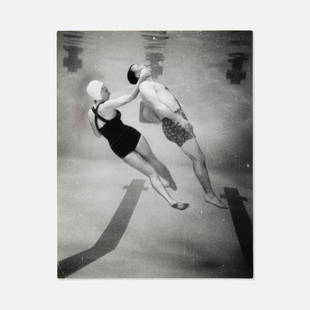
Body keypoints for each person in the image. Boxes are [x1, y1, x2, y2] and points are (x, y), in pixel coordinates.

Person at [86, 68, 189, 211]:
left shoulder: (90, 113)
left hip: (118, 147)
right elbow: (131, 96)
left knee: (151, 173)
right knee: (152, 159)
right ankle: (170, 182)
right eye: (104, 89)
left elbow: (97, 134)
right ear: (97, 93)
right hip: (131, 135)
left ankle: (171, 201)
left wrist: (110, 132)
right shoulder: (107, 105)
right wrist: (142, 78)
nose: (108, 91)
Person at [127, 64, 225, 208]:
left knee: (199, 157)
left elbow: (147, 113)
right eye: (138, 66)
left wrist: (171, 117)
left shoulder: (149, 85)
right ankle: (209, 195)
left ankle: (206, 193)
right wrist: (178, 119)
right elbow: (159, 107)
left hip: (173, 121)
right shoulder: (145, 86)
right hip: (175, 122)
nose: (143, 64)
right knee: (198, 158)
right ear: (137, 75)